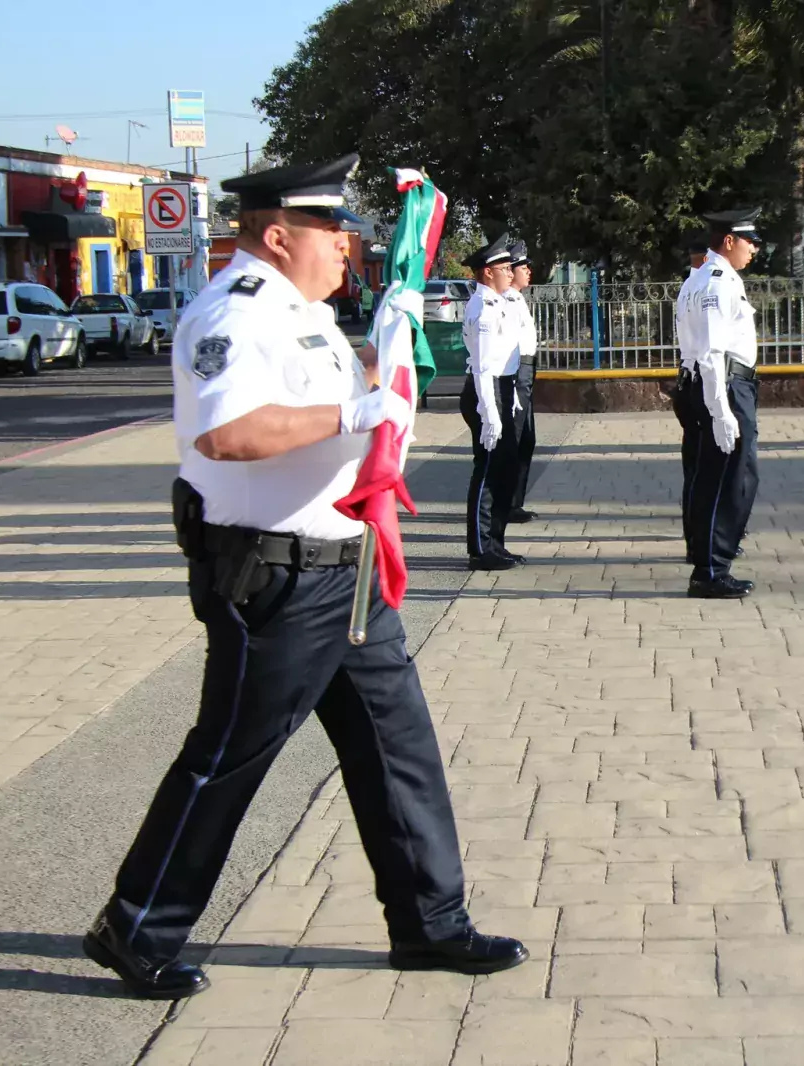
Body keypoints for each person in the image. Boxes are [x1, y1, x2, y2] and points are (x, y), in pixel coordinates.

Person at [83, 155, 526, 1000]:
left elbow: (343, 394)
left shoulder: (307, 312)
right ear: (278, 235)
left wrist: (386, 358)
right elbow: (229, 435)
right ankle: (136, 926)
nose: (348, 243)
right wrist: (354, 411)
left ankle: (429, 923)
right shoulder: (235, 311)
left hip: (345, 568)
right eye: (333, 229)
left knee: (399, 749)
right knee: (230, 758)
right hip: (274, 577)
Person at [680, 209, 761, 599]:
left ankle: (709, 560)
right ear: (729, 241)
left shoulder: (699, 278)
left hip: (712, 383)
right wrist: (721, 411)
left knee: (715, 477)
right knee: (731, 479)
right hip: (724, 385)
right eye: (750, 241)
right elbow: (711, 351)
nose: (755, 249)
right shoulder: (717, 283)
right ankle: (711, 569)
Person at [460, 234, 526, 568]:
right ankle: (480, 548)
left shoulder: (500, 302)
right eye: (504, 267)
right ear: (487, 273)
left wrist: (510, 395)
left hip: (502, 389)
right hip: (485, 392)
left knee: (505, 471)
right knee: (486, 471)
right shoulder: (483, 308)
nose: (511, 273)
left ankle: (496, 542)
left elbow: (507, 360)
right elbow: (484, 366)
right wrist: (489, 413)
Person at [674, 237, 711, 562]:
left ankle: (697, 539)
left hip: (689, 377)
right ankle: (700, 542)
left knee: (696, 467)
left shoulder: (690, 285)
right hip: (700, 378)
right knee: (702, 468)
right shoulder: (703, 284)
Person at [505, 241, 540, 523]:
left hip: (527, 370)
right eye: (523, 267)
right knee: (515, 439)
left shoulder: (516, 298)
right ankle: (507, 503)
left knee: (526, 439)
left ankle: (515, 501)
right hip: (517, 373)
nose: (529, 271)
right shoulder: (505, 299)